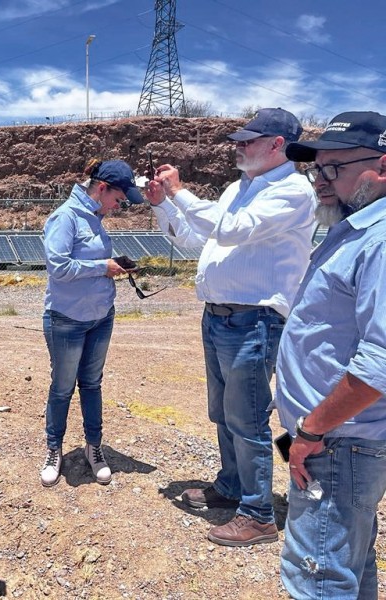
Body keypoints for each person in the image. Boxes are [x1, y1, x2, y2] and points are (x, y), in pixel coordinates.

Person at [145, 108, 317, 546]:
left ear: (277, 145)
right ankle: (233, 485)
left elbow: (232, 229)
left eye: (248, 140)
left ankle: (258, 514)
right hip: (221, 316)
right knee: (223, 412)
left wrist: (180, 192)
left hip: (254, 320)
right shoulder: (238, 188)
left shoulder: (293, 190)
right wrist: (163, 204)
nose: (238, 147)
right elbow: (197, 239)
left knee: (248, 419)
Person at [275, 111, 386, 599]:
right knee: (348, 566)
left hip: (337, 444)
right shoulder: (355, 230)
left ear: (382, 166)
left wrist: (311, 431)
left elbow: (380, 361)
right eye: (316, 169)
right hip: (338, 441)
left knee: (318, 580)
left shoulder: (380, 240)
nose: (319, 181)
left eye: (333, 168)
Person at [40, 159, 144, 487]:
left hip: (100, 318)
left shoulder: (96, 218)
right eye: (118, 199)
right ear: (102, 188)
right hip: (67, 320)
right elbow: (59, 267)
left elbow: (91, 262)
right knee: (62, 387)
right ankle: (54, 449)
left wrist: (114, 266)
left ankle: (93, 446)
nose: (119, 206)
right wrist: (103, 267)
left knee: (92, 384)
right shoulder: (66, 217)